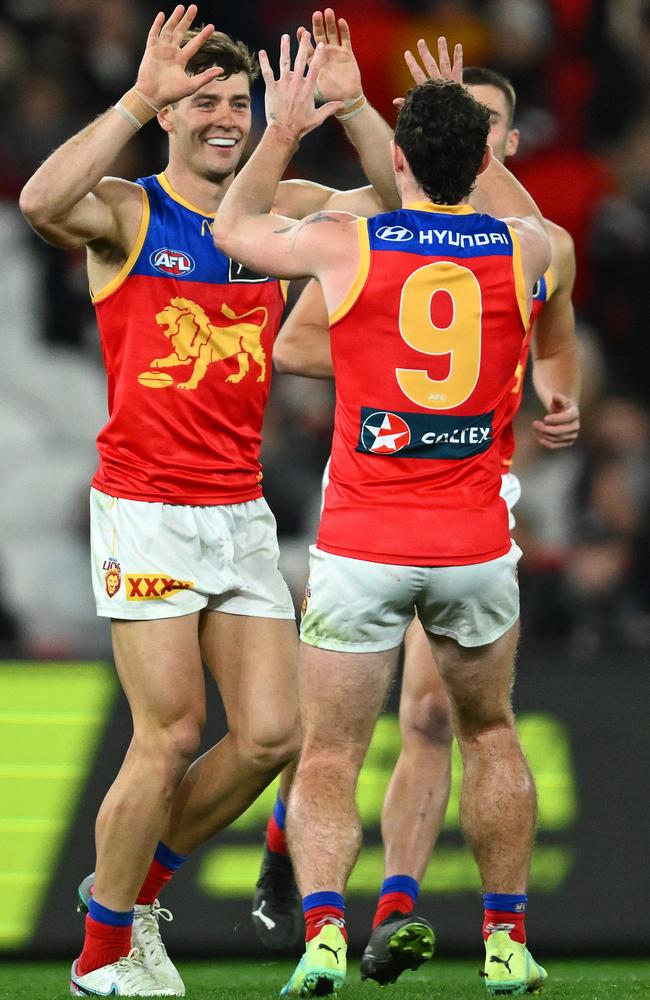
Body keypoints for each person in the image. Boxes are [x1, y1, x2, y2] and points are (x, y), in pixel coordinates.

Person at [19, 6, 395, 996]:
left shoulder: (277, 212)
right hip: (144, 503)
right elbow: (39, 200)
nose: (226, 116)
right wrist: (139, 92)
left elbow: (403, 206)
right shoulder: (131, 213)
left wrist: (352, 108)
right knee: (171, 731)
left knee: (271, 735)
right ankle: (101, 953)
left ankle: (127, 898)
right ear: (172, 116)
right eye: (205, 101)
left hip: (237, 511)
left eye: (238, 99)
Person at [215, 30, 551, 999]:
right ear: (485, 157)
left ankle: (323, 937)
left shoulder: (347, 240)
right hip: (474, 541)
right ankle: (500, 943)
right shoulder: (530, 250)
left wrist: (280, 134)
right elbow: (531, 229)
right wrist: (470, 157)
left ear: (394, 161)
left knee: (328, 752)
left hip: (364, 538)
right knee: (487, 733)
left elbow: (235, 229)